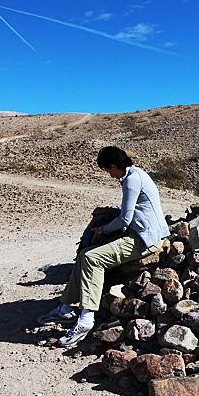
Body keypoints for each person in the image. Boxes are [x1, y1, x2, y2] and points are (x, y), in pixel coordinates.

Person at [36, 146, 169, 347]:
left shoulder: (131, 180)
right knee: (84, 254)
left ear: (114, 166)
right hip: (141, 231)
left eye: (108, 171)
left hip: (144, 238)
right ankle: (66, 309)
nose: (110, 175)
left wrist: (103, 229)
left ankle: (86, 319)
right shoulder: (136, 174)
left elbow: (125, 219)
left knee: (92, 258)